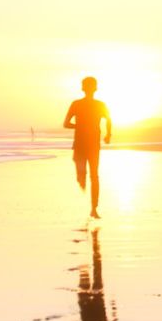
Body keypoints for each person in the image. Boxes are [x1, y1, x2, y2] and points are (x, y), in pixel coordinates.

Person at [63, 76, 112, 218]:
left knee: (92, 175)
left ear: (83, 88)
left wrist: (79, 125)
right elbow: (109, 120)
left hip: (86, 144)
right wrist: (108, 134)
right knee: (92, 176)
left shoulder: (79, 104)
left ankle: (93, 208)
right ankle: (94, 208)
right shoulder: (91, 104)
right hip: (88, 144)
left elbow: (66, 124)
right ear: (95, 88)